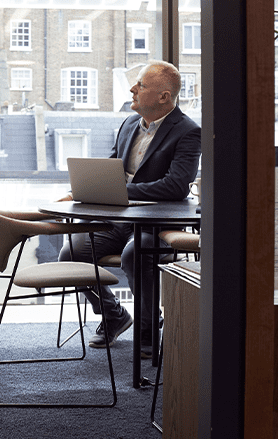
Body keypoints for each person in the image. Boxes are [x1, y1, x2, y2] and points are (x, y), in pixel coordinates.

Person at [57, 60, 201, 354]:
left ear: (164, 96)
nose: (133, 89)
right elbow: (110, 170)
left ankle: (148, 328)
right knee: (71, 253)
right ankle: (113, 314)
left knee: (135, 254)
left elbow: (175, 186)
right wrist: (83, 189)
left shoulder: (188, 131)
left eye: (141, 85)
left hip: (157, 224)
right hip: (119, 220)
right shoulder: (127, 125)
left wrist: (120, 191)